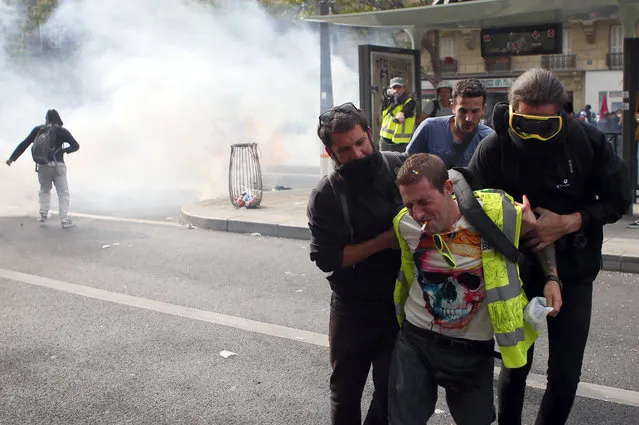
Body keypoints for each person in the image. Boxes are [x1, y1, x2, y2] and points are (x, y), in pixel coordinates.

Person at [468, 68, 631, 425]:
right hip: (514, 272)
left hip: (574, 269)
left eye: (546, 126)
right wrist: (509, 218)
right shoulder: (494, 147)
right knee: (514, 366)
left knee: (566, 375)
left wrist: (569, 221)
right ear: (511, 112)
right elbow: (470, 205)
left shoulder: (586, 141)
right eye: (524, 123)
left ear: (561, 114)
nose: (534, 135)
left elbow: (618, 201)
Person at [388, 153, 560, 425]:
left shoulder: (495, 213)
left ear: (447, 189)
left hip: (471, 350)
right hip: (416, 340)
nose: (417, 213)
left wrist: (552, 278)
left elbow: (539, 232)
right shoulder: (404, 223)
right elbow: (409, 269)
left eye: (424, 201)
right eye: (409, 204)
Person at [308, 102, 406, 425]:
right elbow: (328, 258)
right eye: (345, 149)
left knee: (391, 392)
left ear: (369, 133)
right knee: (345, 393)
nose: (358, 154)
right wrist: (384, 242)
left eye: (361, 143)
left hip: (398, 305)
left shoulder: (398, 168)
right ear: (330, 152)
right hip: (352, 308)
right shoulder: (326, 195)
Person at [6, 109, 80, 228]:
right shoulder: (61, 131)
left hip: (43, 165)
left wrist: (12, 158)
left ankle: (42, 216)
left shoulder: (38, 130)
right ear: (58, 119)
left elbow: (24, 144)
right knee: (63, 192)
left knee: (44, 190)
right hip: (58, 165)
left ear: (46, 119)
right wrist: (64, 150)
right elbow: (76, 146)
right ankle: (64, 220)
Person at [407, 78, 493, 168]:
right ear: (453, 108)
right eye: (463, 111)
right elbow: (409, 164)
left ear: (483, 109)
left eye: (475, 111)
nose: (468, 118)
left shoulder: (488, 138)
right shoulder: (428, 128)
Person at [379, 76, 417, 153]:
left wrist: (401, 114)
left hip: (401, 144)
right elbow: (382, 106)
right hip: (385, 141)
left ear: (404, 88)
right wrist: (387, 95)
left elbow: (407, 110)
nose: (396, 90)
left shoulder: (410, 102)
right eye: (394, 88)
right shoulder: (388, 101)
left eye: (399, 87)